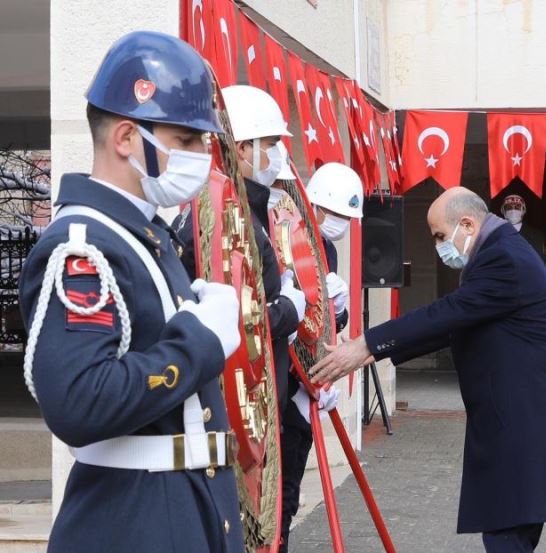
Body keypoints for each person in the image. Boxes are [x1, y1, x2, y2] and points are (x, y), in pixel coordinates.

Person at [18, 31, 245, 552]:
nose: (201, 155)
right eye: (186, 140)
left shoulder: (140, 236)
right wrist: (201, 340)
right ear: (125, 137)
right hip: (134, 521)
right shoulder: (84, 246)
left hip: (173, 510)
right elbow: (79, 401)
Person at [309, 187, 546, 552]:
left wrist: (366, 345)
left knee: (506, 539)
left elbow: (449, 312)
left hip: (524, 430)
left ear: (467, 224)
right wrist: (372, 352)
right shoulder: (499, 252)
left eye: (439, 236)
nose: (438, 246)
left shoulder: (504, 259)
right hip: (519, 428)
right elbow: (455, 325)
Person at [173, 84, 306, 418]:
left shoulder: (239, 210)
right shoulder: (224, 217)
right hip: (234, 404)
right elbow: (233, 317)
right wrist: (288, 311)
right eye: (271, 145)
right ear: (243, 148)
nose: (277, 156)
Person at [280, 161, 363, 552]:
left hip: (307, 384)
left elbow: (324, 321)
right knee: (277, 499)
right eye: (335, 214)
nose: (340, 224)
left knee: (290, 493)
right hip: (282, 384)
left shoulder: (326, 247)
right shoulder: (286, 236)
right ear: (314, 205)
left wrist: (339, 311)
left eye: (347, 218)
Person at [500, 193, 546, 260]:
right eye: (509, 207)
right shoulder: (494, 236)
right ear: (503, 211)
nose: (513, 210)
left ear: (523, 211)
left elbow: (543, 263)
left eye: (517, 207)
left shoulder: (537, 237)